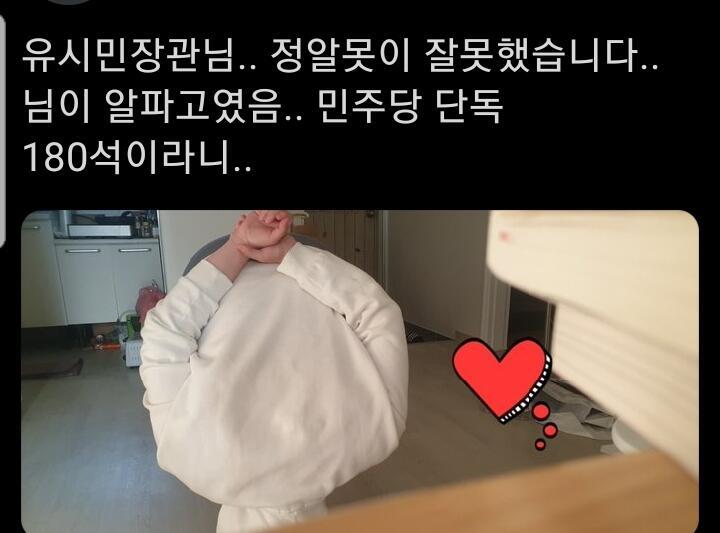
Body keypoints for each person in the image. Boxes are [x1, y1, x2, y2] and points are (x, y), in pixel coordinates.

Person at [139, 210, 409, 533]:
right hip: (225, 276)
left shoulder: (377, 433)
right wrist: (237, 247)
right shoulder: (186, 455)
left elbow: (379, 313)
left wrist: (288, 253)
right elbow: (163, 331)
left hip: (305, 268)